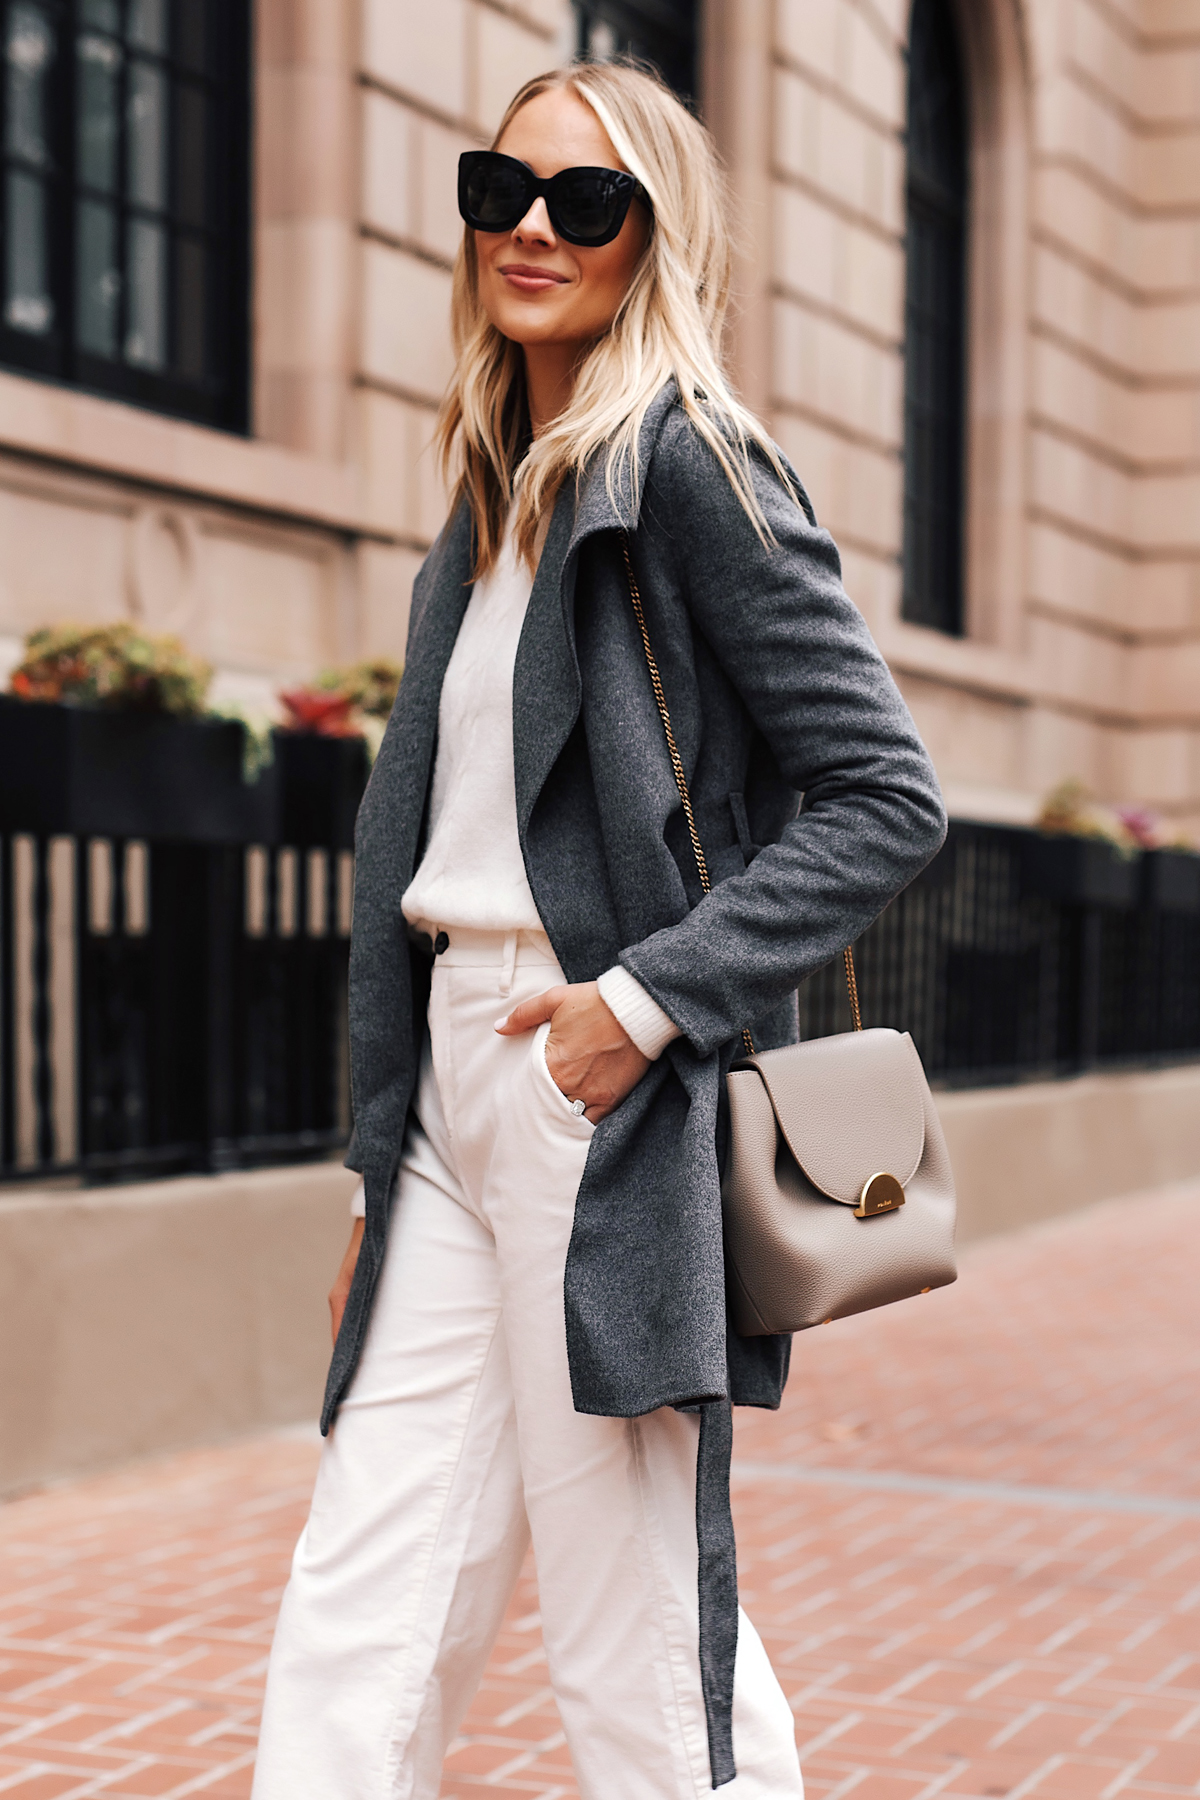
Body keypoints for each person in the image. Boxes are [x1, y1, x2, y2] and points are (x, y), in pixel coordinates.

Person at [252, 59, 946, 1800]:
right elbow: (424, 858)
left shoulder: (689, 465)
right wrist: (372, 1159)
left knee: (632, 1628)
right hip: (446, 1103)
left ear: (658, 237)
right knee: (367, 1589)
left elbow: (885, 794)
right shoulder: (490, 493)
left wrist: (633, 1007)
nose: (534, 231)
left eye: (588, 202)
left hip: (591, 1091)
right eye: (505, 191)